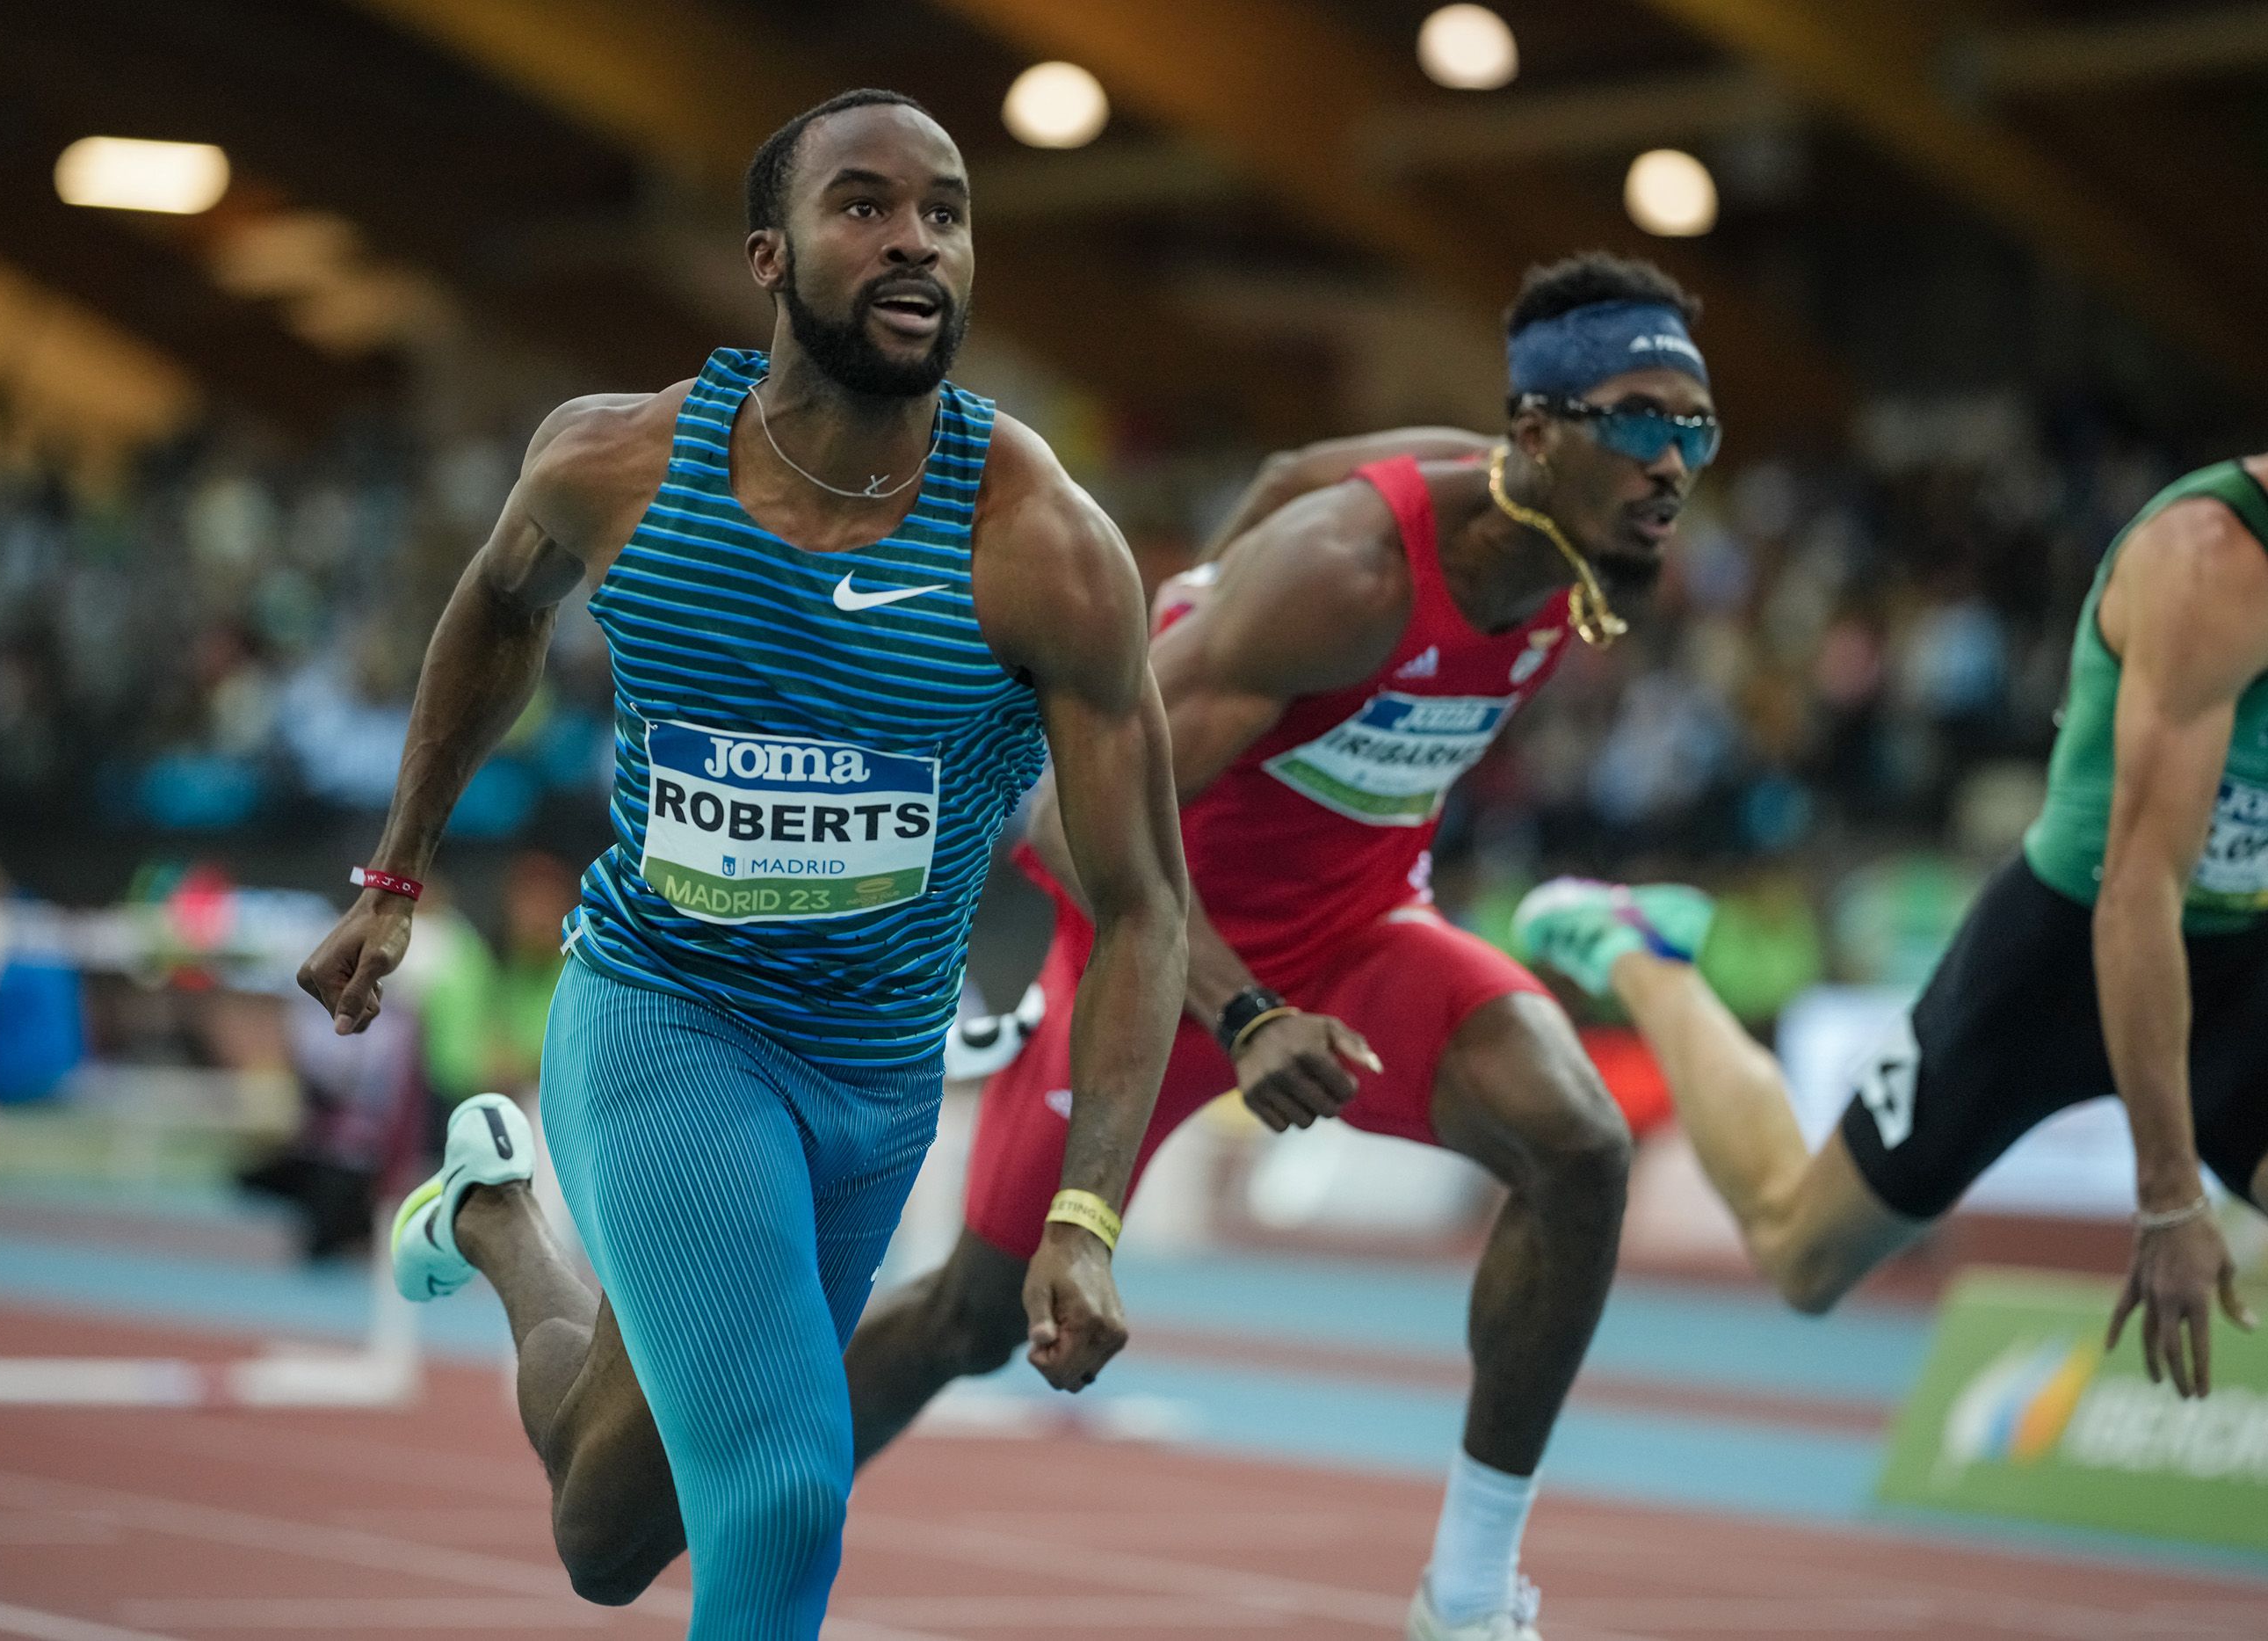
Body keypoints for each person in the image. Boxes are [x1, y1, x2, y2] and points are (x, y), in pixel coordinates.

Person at [295, 89, 1186, 1637]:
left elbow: (1142, 904)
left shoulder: (1041, 544)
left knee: (611, 1534)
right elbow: (499, 607)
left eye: (948, 212)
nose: (916, 240)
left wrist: (1087, 1215)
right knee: (781, 1488)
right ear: (769, 257)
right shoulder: (617, 465)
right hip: (666, 1015)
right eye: (868, 206)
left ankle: (494, 1217)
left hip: (873, 1080)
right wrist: (395, 874)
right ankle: (522, 1185)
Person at [844, 252, 1724, 1641]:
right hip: (1162, 944)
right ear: (1537, 432)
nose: (1671, 462)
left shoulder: (1582, 543)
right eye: (1637, 419)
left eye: (1695, 429)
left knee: (1582, 1145)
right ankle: (755, 1492)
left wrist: (1199, 579)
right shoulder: (1349, 577)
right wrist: (1244, 1010)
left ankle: (1471, 1591)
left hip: (1364, 930)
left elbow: (1289, 460)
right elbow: (1064, 826)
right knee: (972, 1317)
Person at [1514, 455, 2268, 1402]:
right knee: (1803, 1254)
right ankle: (1642, 954)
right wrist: (2169, 1200)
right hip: (2065, 950)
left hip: (2242, 955)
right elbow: (2136, 893)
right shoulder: (2210, 563)